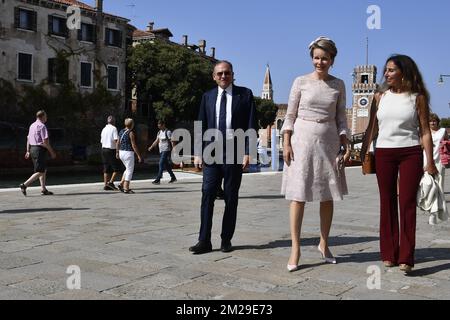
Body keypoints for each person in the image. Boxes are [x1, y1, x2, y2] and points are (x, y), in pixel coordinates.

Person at [361, 54, 438, 274]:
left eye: (391, 70)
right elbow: (372, 128)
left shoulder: (417, 97)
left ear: (404, 72)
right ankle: (389, 253)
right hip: (384, 153)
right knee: (386, 202)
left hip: (410, 153)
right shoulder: (379, 97)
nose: (386, 74)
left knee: (406, 203)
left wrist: (430, 161)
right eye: (386, 70)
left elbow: (424, 131)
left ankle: (406, 256)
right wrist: (363, 153)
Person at [281, 37, 350, 272]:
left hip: (329, 140)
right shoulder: (300, 81)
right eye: (316, 58)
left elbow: (341, 117)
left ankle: (324, 243)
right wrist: (286, 143)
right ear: (312, 58)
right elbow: (289, 116)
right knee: (298, 195)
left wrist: (345, 141)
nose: (319, 62)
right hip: (302, 140)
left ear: (332, 60)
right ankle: (295, 247)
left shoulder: (339, 84)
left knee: (327, 194)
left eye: (324, 58)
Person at [189, 60, 257, 254]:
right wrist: (197, 152)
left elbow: (251, 123)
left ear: (232, 74)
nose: (223, 76)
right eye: (219, 74)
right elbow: (200, 124)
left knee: (231, 197)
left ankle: (226, 239)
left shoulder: (245, 95)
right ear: (214, 76)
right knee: (207, 194)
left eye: (227, 73)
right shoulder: (207, 97)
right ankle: (204, 241)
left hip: (234, 153)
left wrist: (248, 151)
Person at [19, 110, 57, 196]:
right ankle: (24, 185)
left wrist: (28, 150)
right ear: (42, 117)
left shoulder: (32, 125)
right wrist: (52, 152)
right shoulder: (42, 126)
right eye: (46, 116)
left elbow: (28, 138)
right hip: (39, 149)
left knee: (43, 169)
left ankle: (43, 189)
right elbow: (45, 142)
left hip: (33, 149)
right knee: (40, 171)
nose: (46, 117)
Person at [424, 113, 448, 224]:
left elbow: (447, 143)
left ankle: (436, 213)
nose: (433, 122)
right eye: (430, 121)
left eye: (434, 121)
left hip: (440, 162)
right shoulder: (424, 132)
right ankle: (433, 211)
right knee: (430, 186)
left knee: (439, 186)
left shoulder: (443, 131)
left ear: (437, 122)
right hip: (427, 161)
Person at [116, 118, 143, 193]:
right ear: (132, 124)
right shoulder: (130, 133)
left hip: (121, 152)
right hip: (128, 153)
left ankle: (121, 184)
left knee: (127, 168)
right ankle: (126, 188)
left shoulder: (121, 131)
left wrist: (117, 152)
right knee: (130, 170)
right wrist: (139, 155)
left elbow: (118, 142)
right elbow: (133, 145)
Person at [148, 120, 177, 185]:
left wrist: (174, 149)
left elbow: (172, 141)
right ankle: (173, 177)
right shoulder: (159, 132)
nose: (159, 127)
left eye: (160, 126)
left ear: (163, 125)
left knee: (161, 163)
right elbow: (156, 141)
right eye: (158, 126)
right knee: (167, 165)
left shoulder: (168, 132)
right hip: (161, 150)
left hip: (166, 150)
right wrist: (151, 147)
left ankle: (158, 179)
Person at [100, 115, 121, 191]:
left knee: (106, 168)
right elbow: (116, 140)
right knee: (117, 168)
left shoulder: (104, 129)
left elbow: (101, 141)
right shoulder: (114, 128)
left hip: (103, 149)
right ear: (114, 122)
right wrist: (118, 151)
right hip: (111, 150)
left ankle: (106, 184)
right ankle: (111, 182)